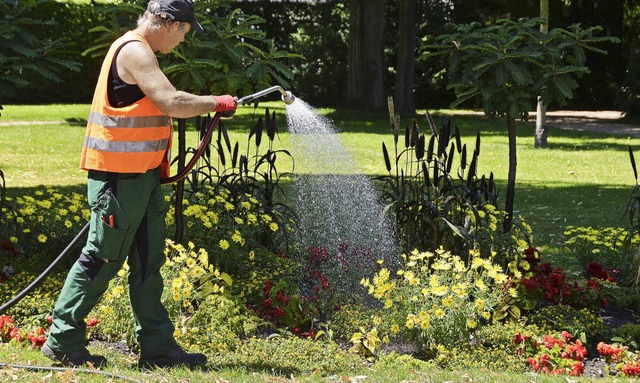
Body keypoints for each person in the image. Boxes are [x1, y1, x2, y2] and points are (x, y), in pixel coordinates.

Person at [41, 0, 236, 369]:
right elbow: (170, 101)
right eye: (185, 31)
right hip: (118, 180)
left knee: (148, 261)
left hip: (143, 177)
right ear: (168, 23)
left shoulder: (144, 51)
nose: (184, 40)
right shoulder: (134, 51)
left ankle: (158, 348)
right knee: (101, 258)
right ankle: (62, 340)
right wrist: (215, 102)